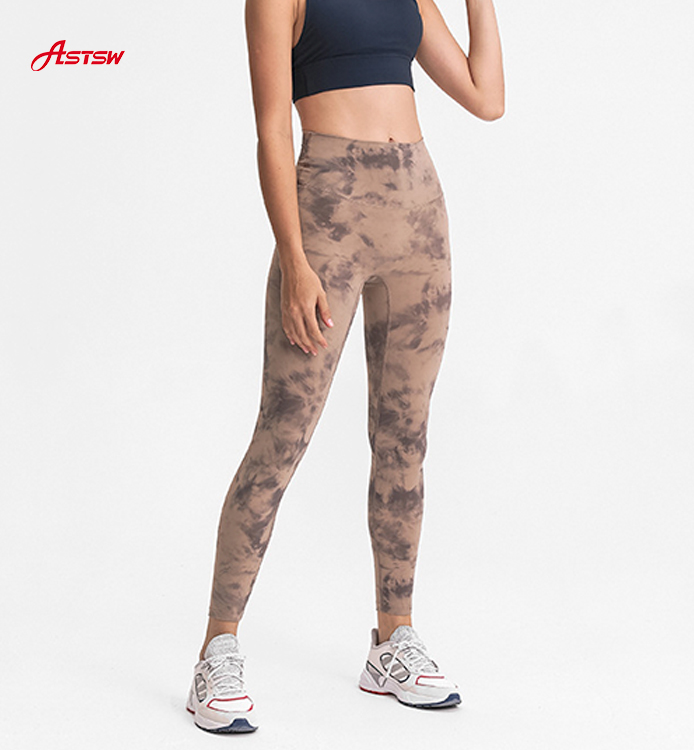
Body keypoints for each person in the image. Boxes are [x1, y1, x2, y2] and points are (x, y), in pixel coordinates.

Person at [186, 0, 504, 733]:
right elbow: (272, 129)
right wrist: (294, 260)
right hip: (329, 211)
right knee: (282, 436)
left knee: (404, 438)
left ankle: (393, 639)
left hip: (419, 213)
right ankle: (216, 650)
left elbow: (486, 98)